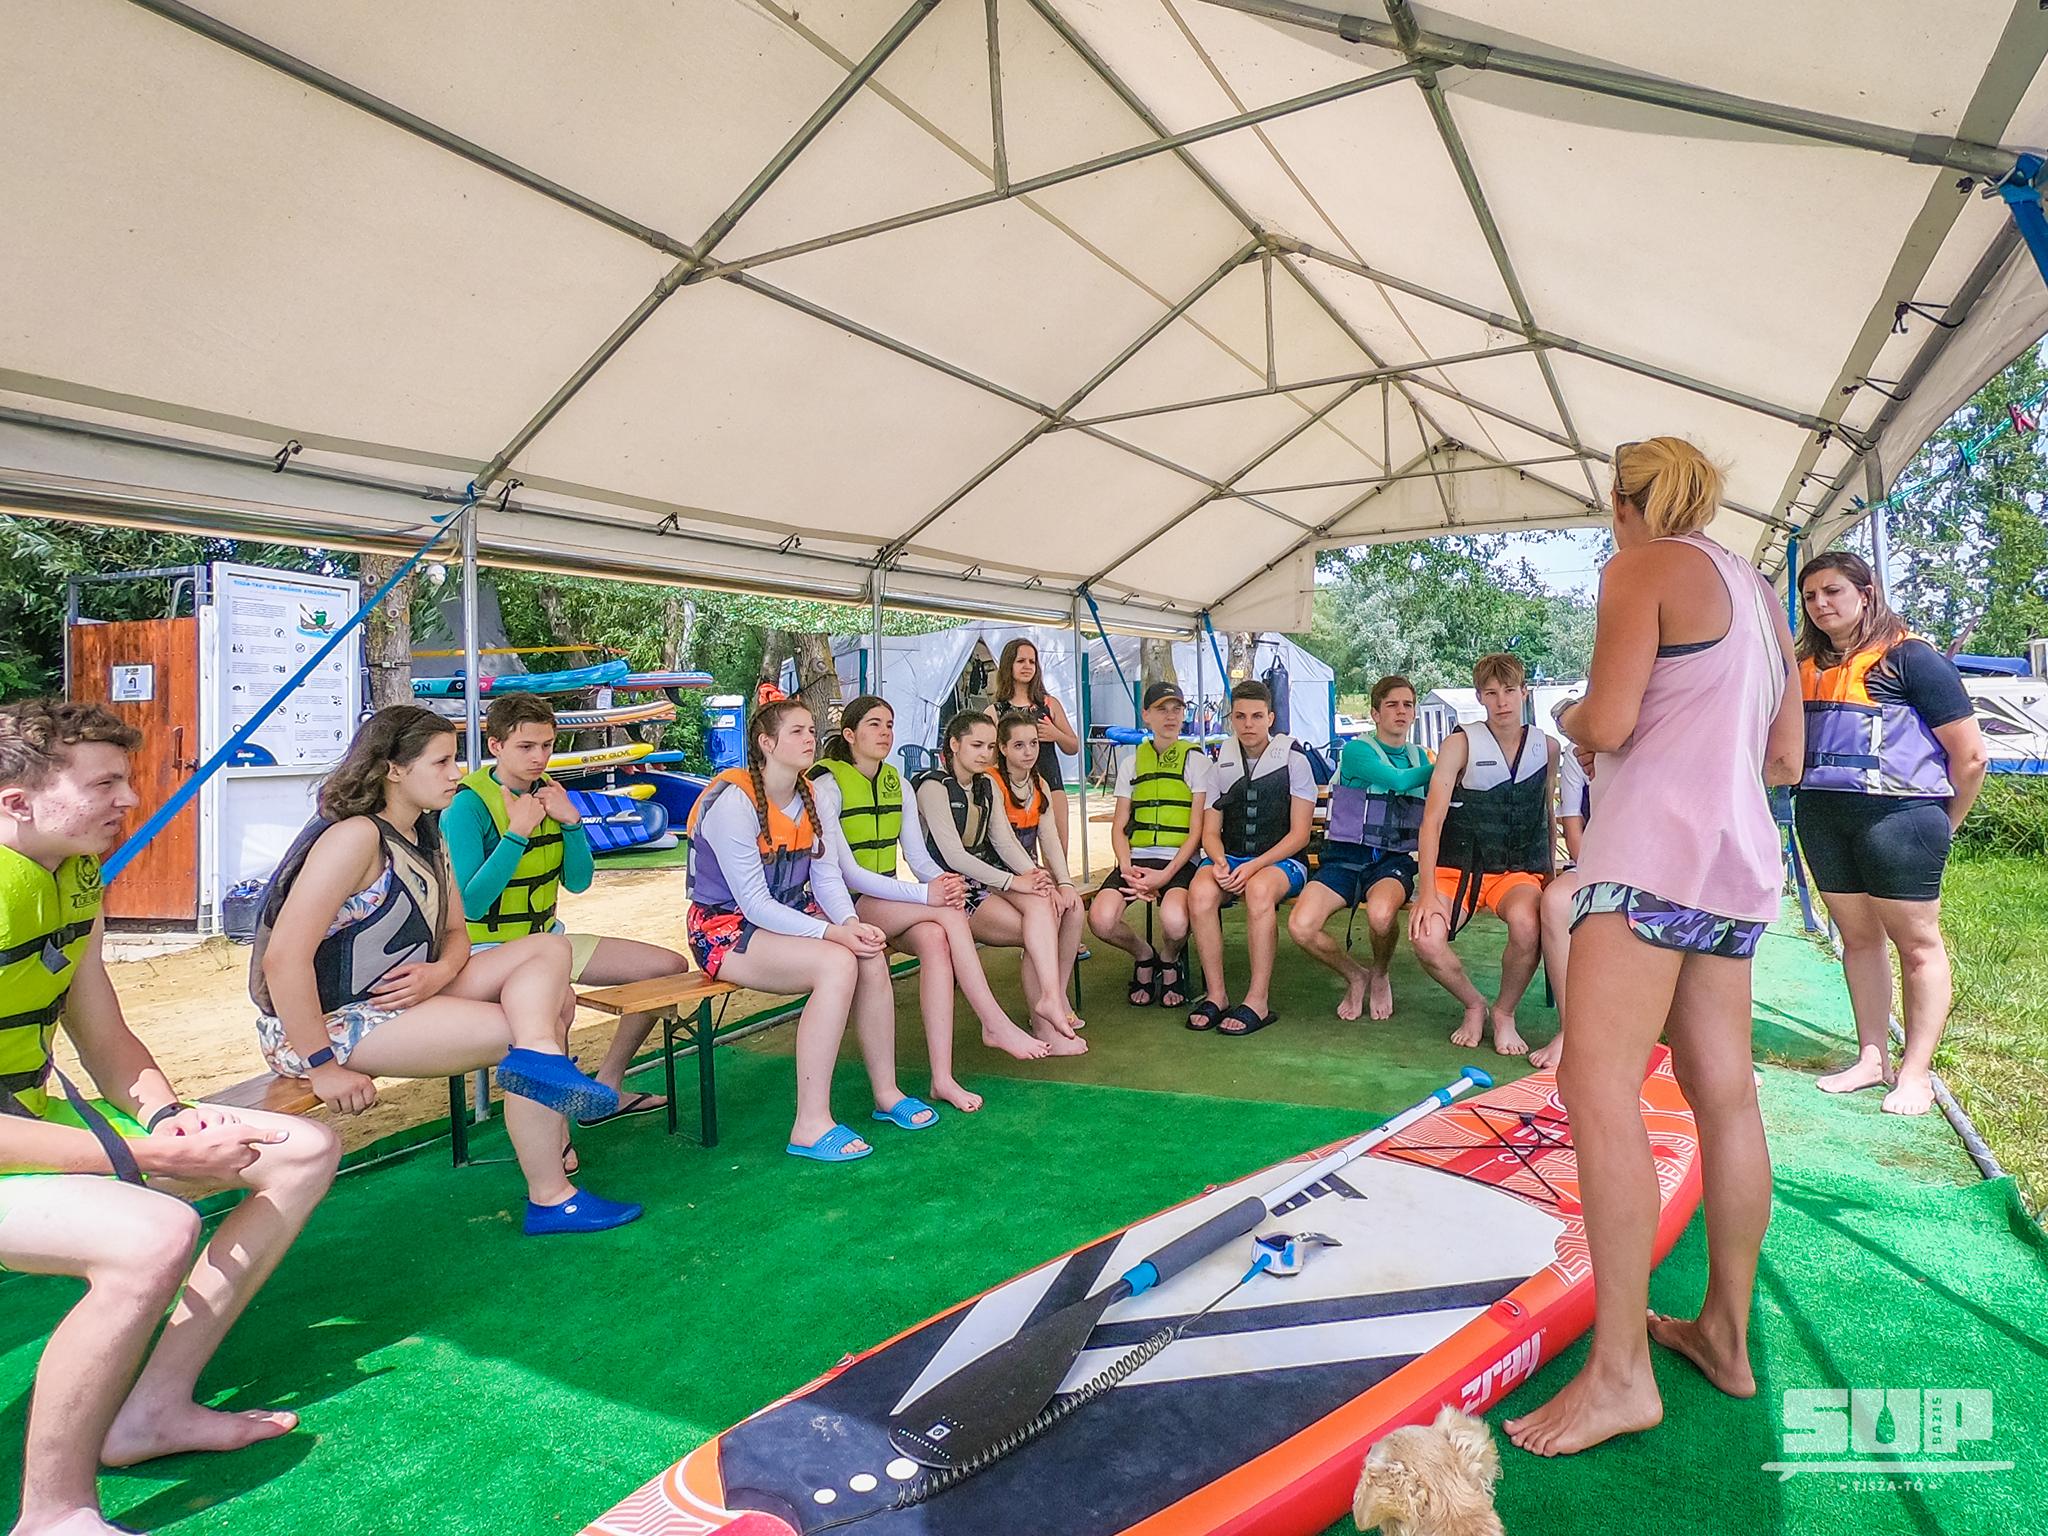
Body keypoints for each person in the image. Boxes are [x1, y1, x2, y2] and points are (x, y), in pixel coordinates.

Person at [1504, 435, 1804, 1458]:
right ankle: (1725, 1334)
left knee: (1598, 1087)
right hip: (1735, 864)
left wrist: (1566, 714)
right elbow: (1784, 755)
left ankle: (1622, 1373)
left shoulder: (1638, 569)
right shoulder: (1758, 593)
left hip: (1648, 859)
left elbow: (1610, 717)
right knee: (1725, 1094)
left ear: (1622, 502)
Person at [0, 701, 339, 1535]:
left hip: (26, 1124)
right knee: (154, 1233)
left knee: (298, 1148)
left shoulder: (71, 875)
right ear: (17, 801)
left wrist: (165, 1118)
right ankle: (53, 1514)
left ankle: (152, 1411)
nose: (129, 800)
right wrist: (147, 1162)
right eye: (104, 784)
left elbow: (103, 1034)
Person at [252, 705, 639, 1235]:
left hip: (401, 992)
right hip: (325, 1024)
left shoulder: (426, 832)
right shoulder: (355, 837)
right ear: (393, 769)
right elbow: (283, 958)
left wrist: (439, 975)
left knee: (549, 950)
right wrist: (322, 1066)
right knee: (528, 1028)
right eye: (441, 762)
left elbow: (458, 933)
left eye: (454, 760)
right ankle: (551, 1195)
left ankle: (541, 1062)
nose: (457, 773)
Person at [686, 699, 933, 1160]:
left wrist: (850, 923)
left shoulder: (812, 795)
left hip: (791, 916)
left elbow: (827, 879)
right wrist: (833, 934)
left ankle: (887, 1094)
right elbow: (754, 905)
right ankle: (810, 1123)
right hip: (725, 929)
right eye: (797, 731)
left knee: (868, 954)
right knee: (837, 963)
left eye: (811, 731)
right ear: (766, 743)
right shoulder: (735, 802)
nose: (809, 739)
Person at [1792, 550, 1988, 1115]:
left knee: (1918, 945)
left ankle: (1917, 1073)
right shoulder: (1804, 664)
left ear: (1866, 593)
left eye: (1833, 591)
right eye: (1810, 596)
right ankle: (1871, 1057)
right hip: (1823, 816)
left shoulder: (1913, 659)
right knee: (1858, 939)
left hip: (1902, 818)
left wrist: (1945, 823)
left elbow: (1971, 757)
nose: (1821, 604)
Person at [445, 694, 684, 1136]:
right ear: (495, 746)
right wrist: (517, 833)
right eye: (526, 747)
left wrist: (572, 823)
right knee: (558, 1004)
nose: (539, 758)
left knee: (665, 968)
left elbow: (578, 882)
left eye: (547, 745)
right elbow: (472, 904)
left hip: (549, 943)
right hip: (486, 952)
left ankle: (606, 1089)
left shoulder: (551, 794)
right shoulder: (467, 807)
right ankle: (555, 1141)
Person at [809, 696, 1049, 1115]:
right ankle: (993, 1022)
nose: (885, 732)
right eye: (873, 724)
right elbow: (846, 874)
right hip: (842, 906)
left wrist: (941, 882)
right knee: (946, 911)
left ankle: (942, 1078)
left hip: (883, 900)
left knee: (937, 938)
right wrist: (928, 895)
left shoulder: (898, 784)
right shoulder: (827, 787)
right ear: (849, 735)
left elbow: (918, 858)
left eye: (889, 724)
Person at [1408, 654, 1557, 1057]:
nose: (1501, 701)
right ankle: (1473, 1004)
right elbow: (1431, 822)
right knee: (1426, 938)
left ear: (1524, 692)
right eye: (1491, 693)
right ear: (1479, 698)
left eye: (1509, 691)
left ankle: (1504, 1012)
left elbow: (1546, 815)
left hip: (1515, 872)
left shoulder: (1547, 747)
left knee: (1527, 924)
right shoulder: (1459, 744)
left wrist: (1551, 876)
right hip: (1457, 870)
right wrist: (1426, 893)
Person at [915, 712, 1086, 1055]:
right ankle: (1046, 1021)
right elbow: (953, 856)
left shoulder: (986, 785)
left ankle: (1051, 1000)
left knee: (1045, 904)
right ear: (954, 744)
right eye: (977, 745)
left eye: (989, 746)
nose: (985, 753)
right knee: (1038, 927)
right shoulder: (934, 786)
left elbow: (1004, 840)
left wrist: (1038, 879)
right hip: (953, 889)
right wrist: (1015, 881)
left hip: (986, 878)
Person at [1288, 675, 1431, 1022]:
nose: (1401, 711)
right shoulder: (1356, 751)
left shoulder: (1420, 756)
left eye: (1408, 705)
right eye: (1392, 705)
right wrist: (1450, 762)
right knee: (1301, 926)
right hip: (1344, 859)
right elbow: (1398, 782)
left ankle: (1380, 973)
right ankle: (1355, 974)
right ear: (1375, 713)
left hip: (1392, 861)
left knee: (1381, 916)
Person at [1186, 681, 1316, 1036]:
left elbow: (1300, 835)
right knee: (1200, 891)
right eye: (1240, 716)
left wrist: (1254, 865)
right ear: (1232, 719)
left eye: (1257, 716)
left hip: (1282, 862)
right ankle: (1216, 995)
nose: (1248, 724)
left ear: (1270, 718)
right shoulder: (1219, 765)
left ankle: (1258, 1000)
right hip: (1231, 857)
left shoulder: (1295, 762)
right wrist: (1219, 862)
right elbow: (1210, 832)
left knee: (1258, 890)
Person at [1088, 681, 1213, 1009]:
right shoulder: (1131, 763)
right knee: (1100, 919)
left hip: (1180, 862)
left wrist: (1165, 875)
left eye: (1177, 709)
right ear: (1146, 715)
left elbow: (1197, 832)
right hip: (1136, 859)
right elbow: (1119, 827)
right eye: (1161, 709)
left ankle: (1170, 959)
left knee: (1175, 921)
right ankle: (1145, 955)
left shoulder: (1197, 762)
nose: (1170, 716)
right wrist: (1126, 868)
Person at [990, 710, 1087, 997]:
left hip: (1030, 876)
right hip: (998, 876)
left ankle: (1058, 994)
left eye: (1033, 743)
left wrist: (1065, 883)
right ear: (1003, 748)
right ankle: (1044, 1005)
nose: (1029, 751)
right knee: (1047, 913)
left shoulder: (1039, 784)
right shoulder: (991, 782)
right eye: (1019, 745)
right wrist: (1043, 881)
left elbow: (1050, 839)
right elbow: (1003, 842)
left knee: (1074, 906)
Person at [1530, 733, 1591, 1072]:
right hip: (1596, 864)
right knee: (1555, 901)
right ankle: (1572, 1029)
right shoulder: (1577, 754)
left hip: (1657, 868)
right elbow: (1573, 827)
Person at [990, 638, 1080, 856]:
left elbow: (1074, 746)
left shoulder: (1049, 704)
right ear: (1008, 665)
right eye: (1021, 661)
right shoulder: (995, 711)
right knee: (1021, 857)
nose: (1027, 666)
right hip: (1013, 791)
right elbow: (990, 759)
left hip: (1052, 783)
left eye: (1032, 661)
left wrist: (1055, 734)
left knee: (1058, 856)